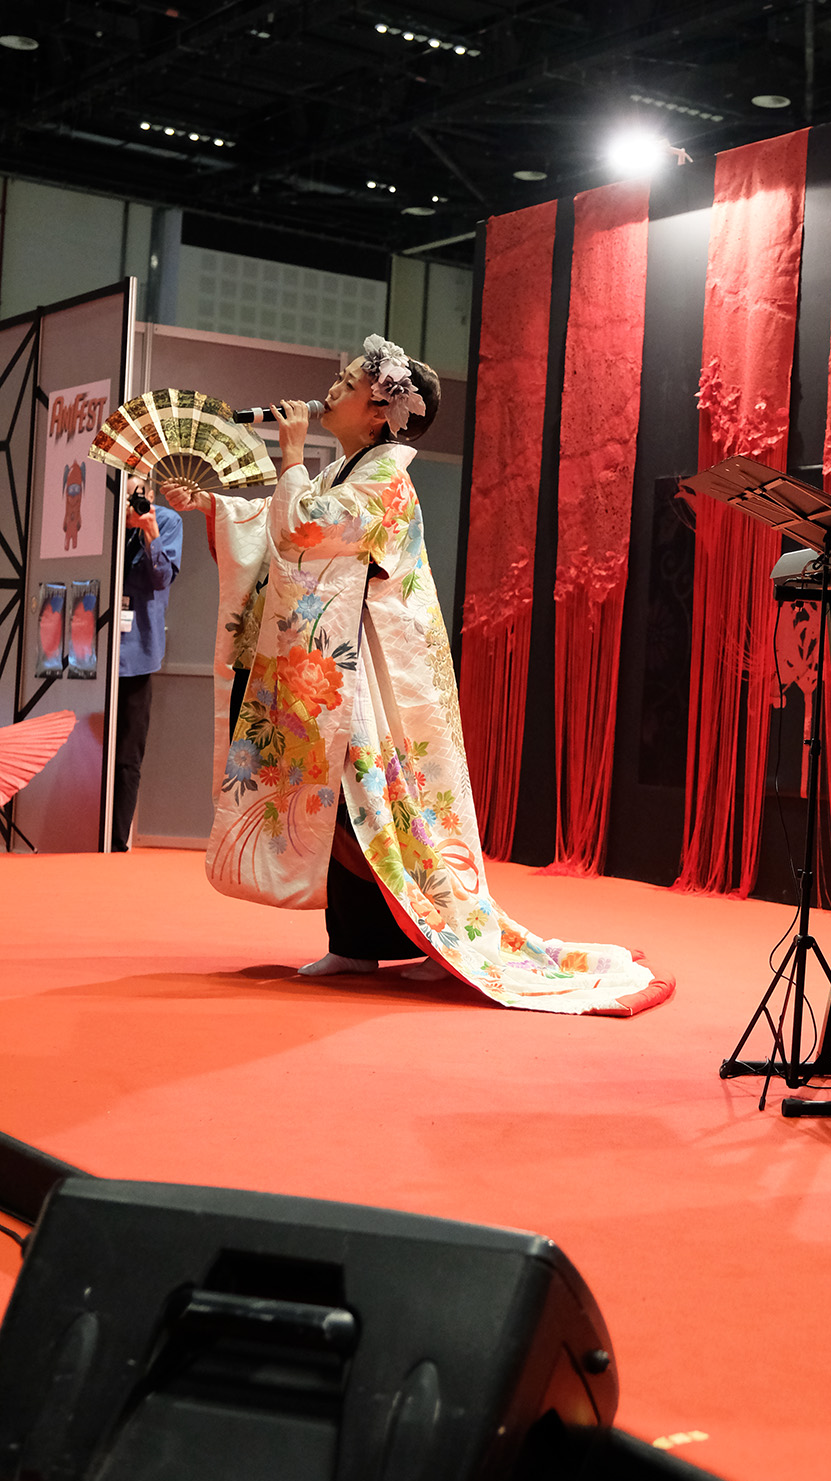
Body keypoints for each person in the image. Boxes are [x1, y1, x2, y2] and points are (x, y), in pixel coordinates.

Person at [162, 336, 669, 1018]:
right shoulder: (346, 474)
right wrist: (214, 507)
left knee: (379, 808)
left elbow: (308, 531)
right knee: (341, 804)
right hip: (339, 668)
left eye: (348, 383)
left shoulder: (386, 480)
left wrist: (290, 453)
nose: (332, 389)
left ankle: (438, 937)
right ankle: (356, 941)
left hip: (373, 673)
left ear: (381, 412)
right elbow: (284, 522)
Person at [112, 478, 183, 850]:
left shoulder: (167, 521)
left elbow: (162, 579)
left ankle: (116, 840)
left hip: (137, 652)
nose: (132, 500)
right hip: (93, 653)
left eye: (138, 493)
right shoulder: (104, 520)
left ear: (150, 494)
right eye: (126, 493)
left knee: (128, 753)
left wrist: (148, 531)